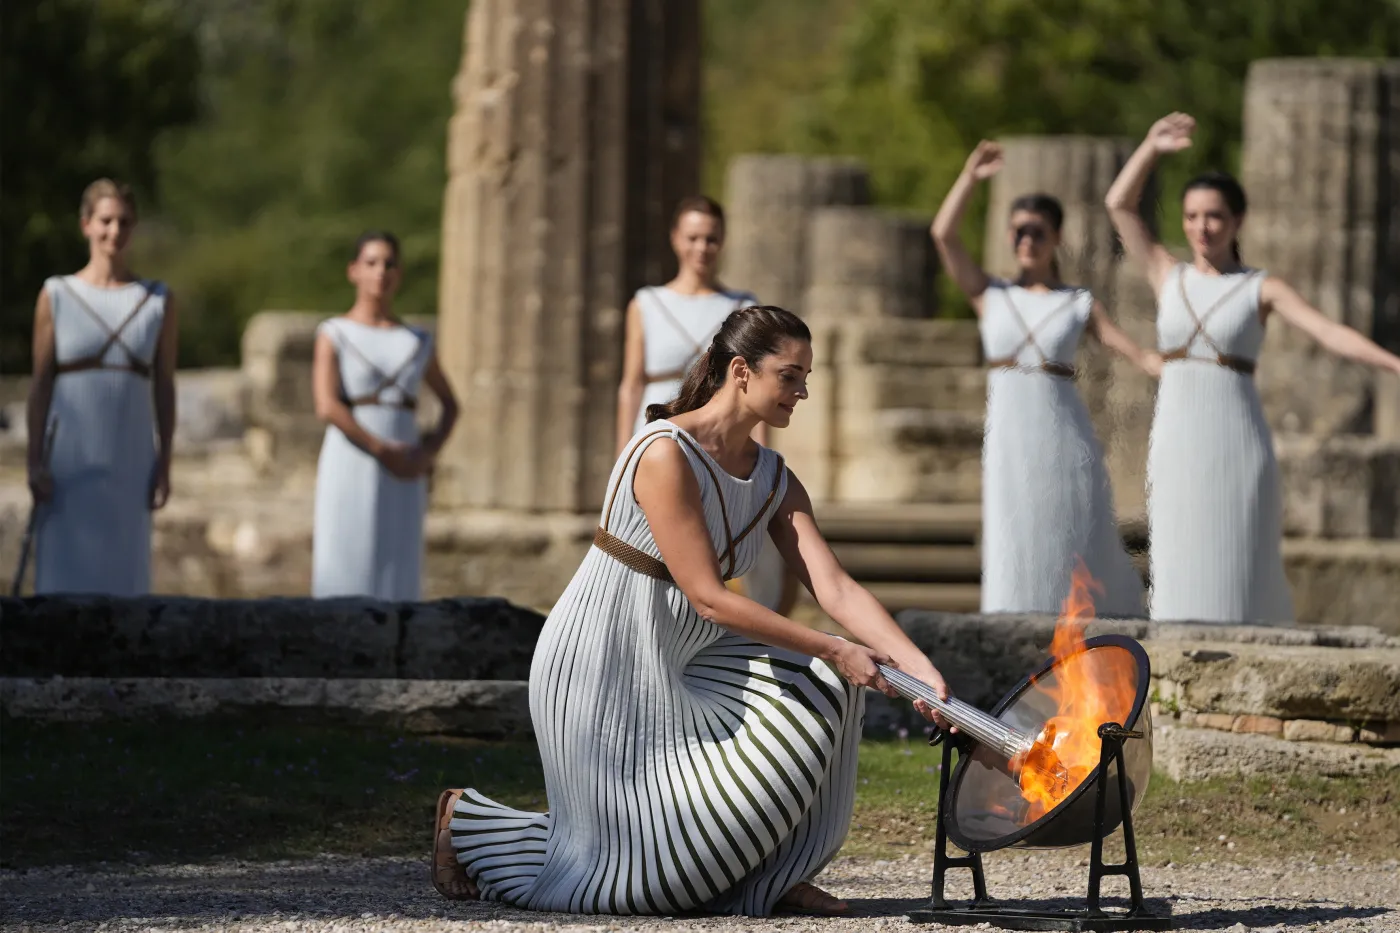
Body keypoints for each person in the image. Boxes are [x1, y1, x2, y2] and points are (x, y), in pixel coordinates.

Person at [433, 305, 951, 917]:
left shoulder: (775, 478)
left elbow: (833, 587)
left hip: (688, 663)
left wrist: (922, 671)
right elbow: (707, 595)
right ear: (741, 371)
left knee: (825, 688)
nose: (802, 391)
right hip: (601, 664)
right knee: (639, 884)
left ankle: (771, 877)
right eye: (790, 375)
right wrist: (835, 646)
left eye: (806, 377)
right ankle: (468, 821)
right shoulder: (663, 453)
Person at [1105, 113, 1400, 623]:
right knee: (1178, 539)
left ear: (1237, 221)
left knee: (1237, 546)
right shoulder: (1165, 274)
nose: (1203, 227)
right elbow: (1118, 205)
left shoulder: (1261, 287)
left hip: (1236, 431)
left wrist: (1393, 363)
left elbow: (1329, 333)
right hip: (1176, 430)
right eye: (1193, 216)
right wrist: (1151, 147)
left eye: (1215, 216)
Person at [930, 142, 1158, 617]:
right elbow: (943, 236)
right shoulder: (989, 293)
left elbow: (1124, 345)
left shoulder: (1076, 300)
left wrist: (1166, 366)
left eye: (1036, 231)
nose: (1026, 241)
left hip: (1061, 424)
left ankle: (1074, 622)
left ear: (1055, 238)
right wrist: (970, 177)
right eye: (1018, 233)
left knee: (1068, 522)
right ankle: (1012, 620)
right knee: (1012, 523)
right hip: (1011, 426)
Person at [616, 195, 794, 615]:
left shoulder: (740, 305)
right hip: (659, 427)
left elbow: (758, 387)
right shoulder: (646, 302)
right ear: (676, 240)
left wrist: (763, 456)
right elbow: (631, 384)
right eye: (693, 237)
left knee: (716, 535)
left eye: (711, 239)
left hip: (718, 435)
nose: (702, 248)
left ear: (723, 241)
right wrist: (624, 451)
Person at [25, 179, 178, 596]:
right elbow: (41, 384)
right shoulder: (57, 294)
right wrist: (34, 460)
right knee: (65, 570)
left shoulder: (157, 300)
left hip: (130, 455)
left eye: (124, 222)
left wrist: (164, 460)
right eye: (106, 221)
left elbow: (164, 386)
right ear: (86, 225)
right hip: (70, 457)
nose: (115, 231)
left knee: (125, 569)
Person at [310, 231, 459, 600]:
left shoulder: (417, 340)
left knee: (398, 559)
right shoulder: (334, 333)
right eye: (371, 263)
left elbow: (451, 405)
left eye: (389, 264)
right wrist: (379, 448)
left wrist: (428, 453)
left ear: (399, 273)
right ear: (353, 271)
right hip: (352, 456)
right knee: (345, 554)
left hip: (405, 462)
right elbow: (327, 404)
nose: (381, 272)